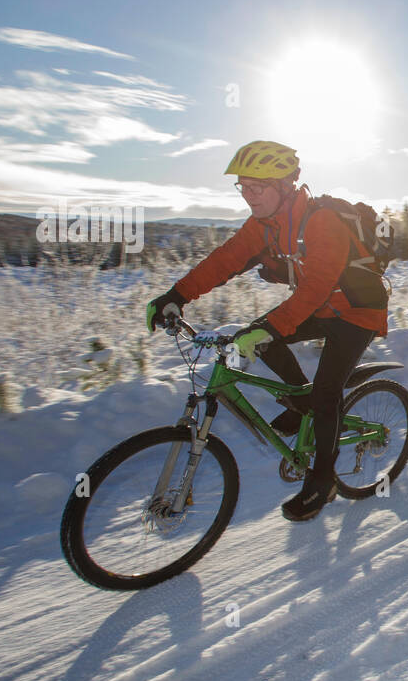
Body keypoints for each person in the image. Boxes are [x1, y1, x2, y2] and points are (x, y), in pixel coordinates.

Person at [145, 140, 388, 522]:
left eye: (258, 187)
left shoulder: (322, 221)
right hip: (321, 306)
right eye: (244, 187)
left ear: (286, 185)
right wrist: (177, 295)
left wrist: (271, 327)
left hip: (357, 311)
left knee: (326, 391)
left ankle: (323, 479)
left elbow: (315, 287)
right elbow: (225, 260)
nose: (249, 196)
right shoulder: (265, 225)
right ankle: (300, 402)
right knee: (257, 337)